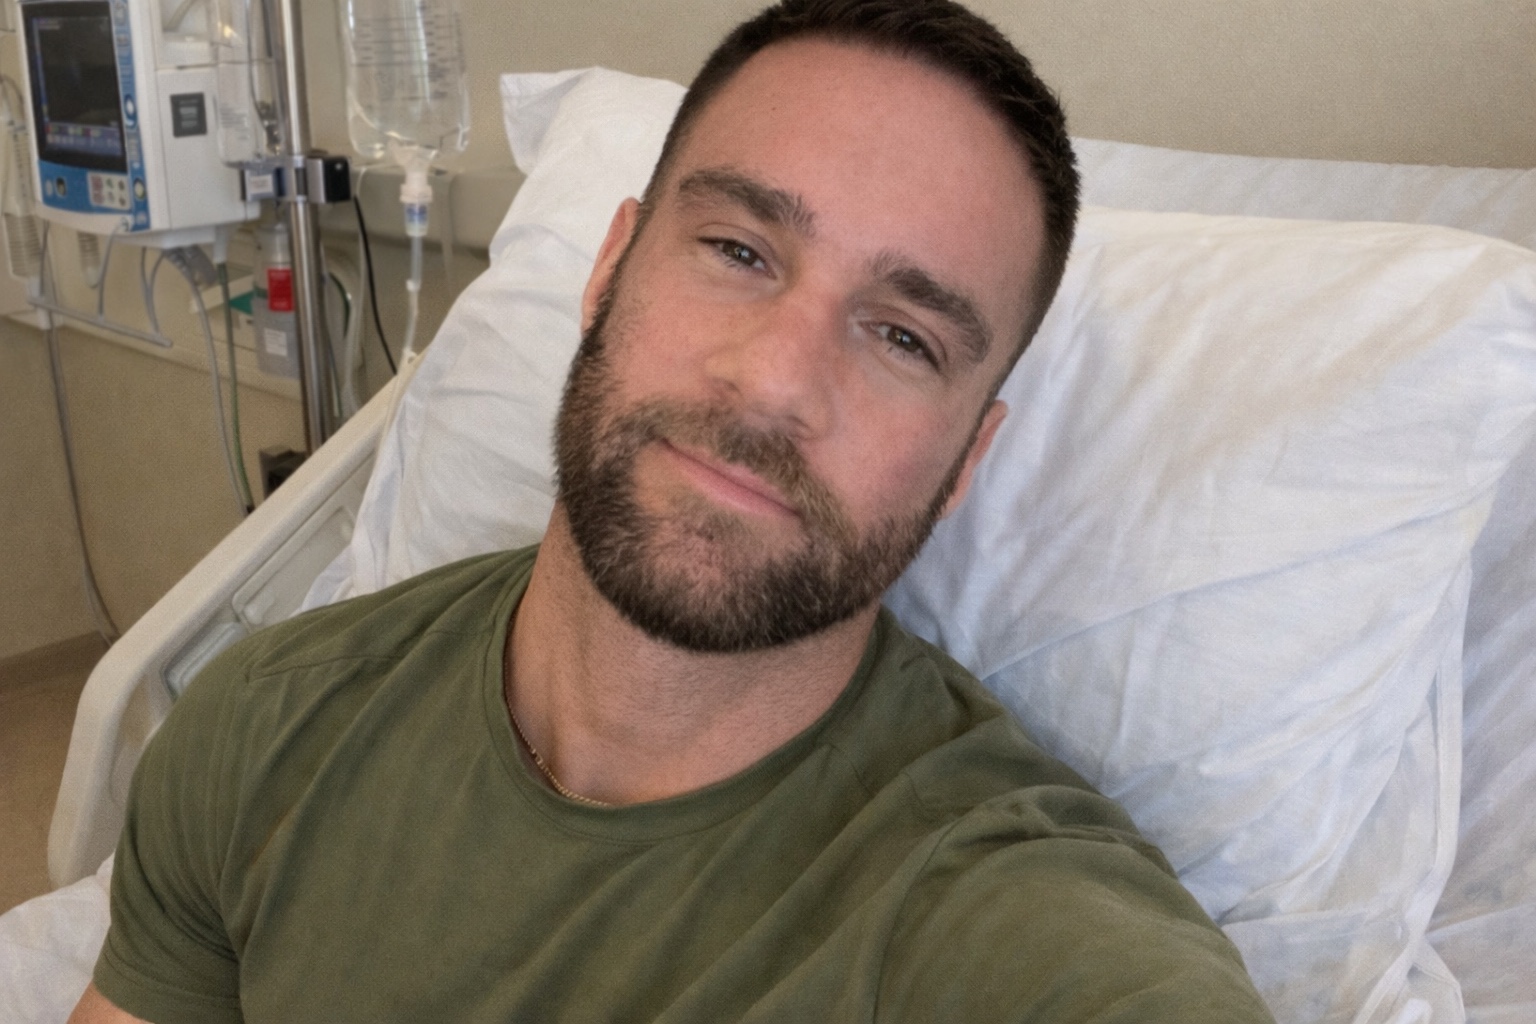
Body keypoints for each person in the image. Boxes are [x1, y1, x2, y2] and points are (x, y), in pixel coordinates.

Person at [72, 1, 1275, 1020]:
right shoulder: (261, 734)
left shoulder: (999, 914)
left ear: (966, 460)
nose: (778, 381)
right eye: (740, 250)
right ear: (609, 271)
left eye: (904, 337)